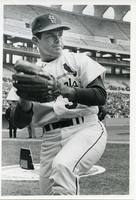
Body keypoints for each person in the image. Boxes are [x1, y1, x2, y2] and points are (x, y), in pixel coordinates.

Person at [11, 13, 108, 195]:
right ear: (35, 40)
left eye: (59, 34)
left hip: (85, 128)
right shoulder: (29, 75)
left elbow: (101, 95)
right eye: (50, 35)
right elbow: (19, 122)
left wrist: (64, 89)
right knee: (48, 193)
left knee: (63, 166)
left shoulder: (79, 60)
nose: (57, 39)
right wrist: (24, 101)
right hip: (50, 137)